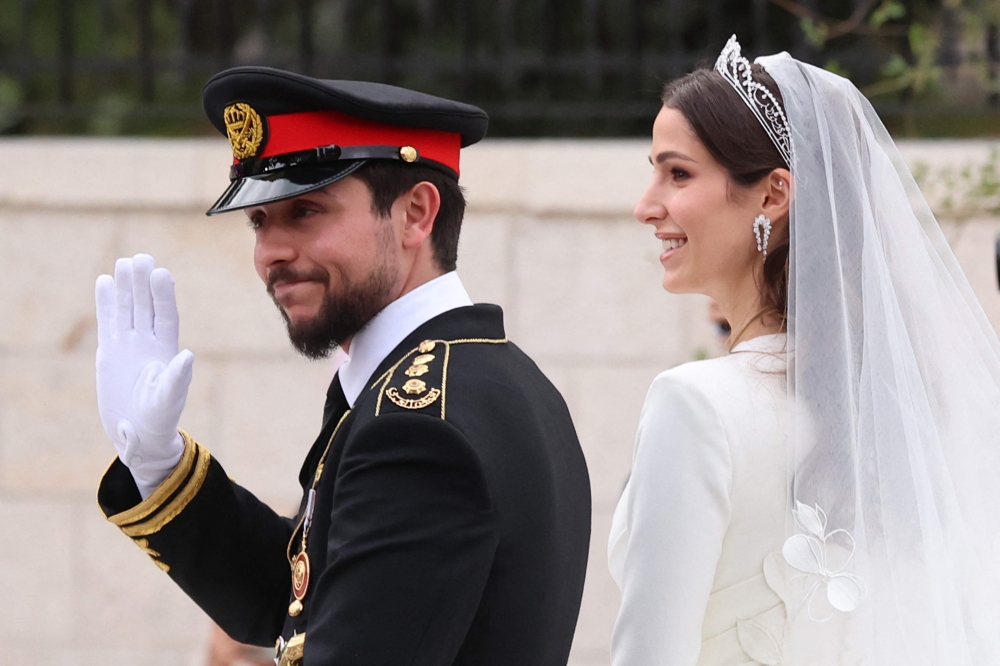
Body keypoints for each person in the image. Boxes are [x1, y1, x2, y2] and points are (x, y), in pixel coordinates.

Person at [93, 67, 591, 666]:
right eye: (259, 222)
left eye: (305, 211)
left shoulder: (417, 428)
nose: (270, 252)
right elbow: (304, 597)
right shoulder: (491, 379)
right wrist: (159, 464)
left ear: (416, 214)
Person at [609, 35, 1000, 665]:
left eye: (677, 172)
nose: (645, 206)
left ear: (773, 194)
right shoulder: (902, 405)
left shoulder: (694, 407)